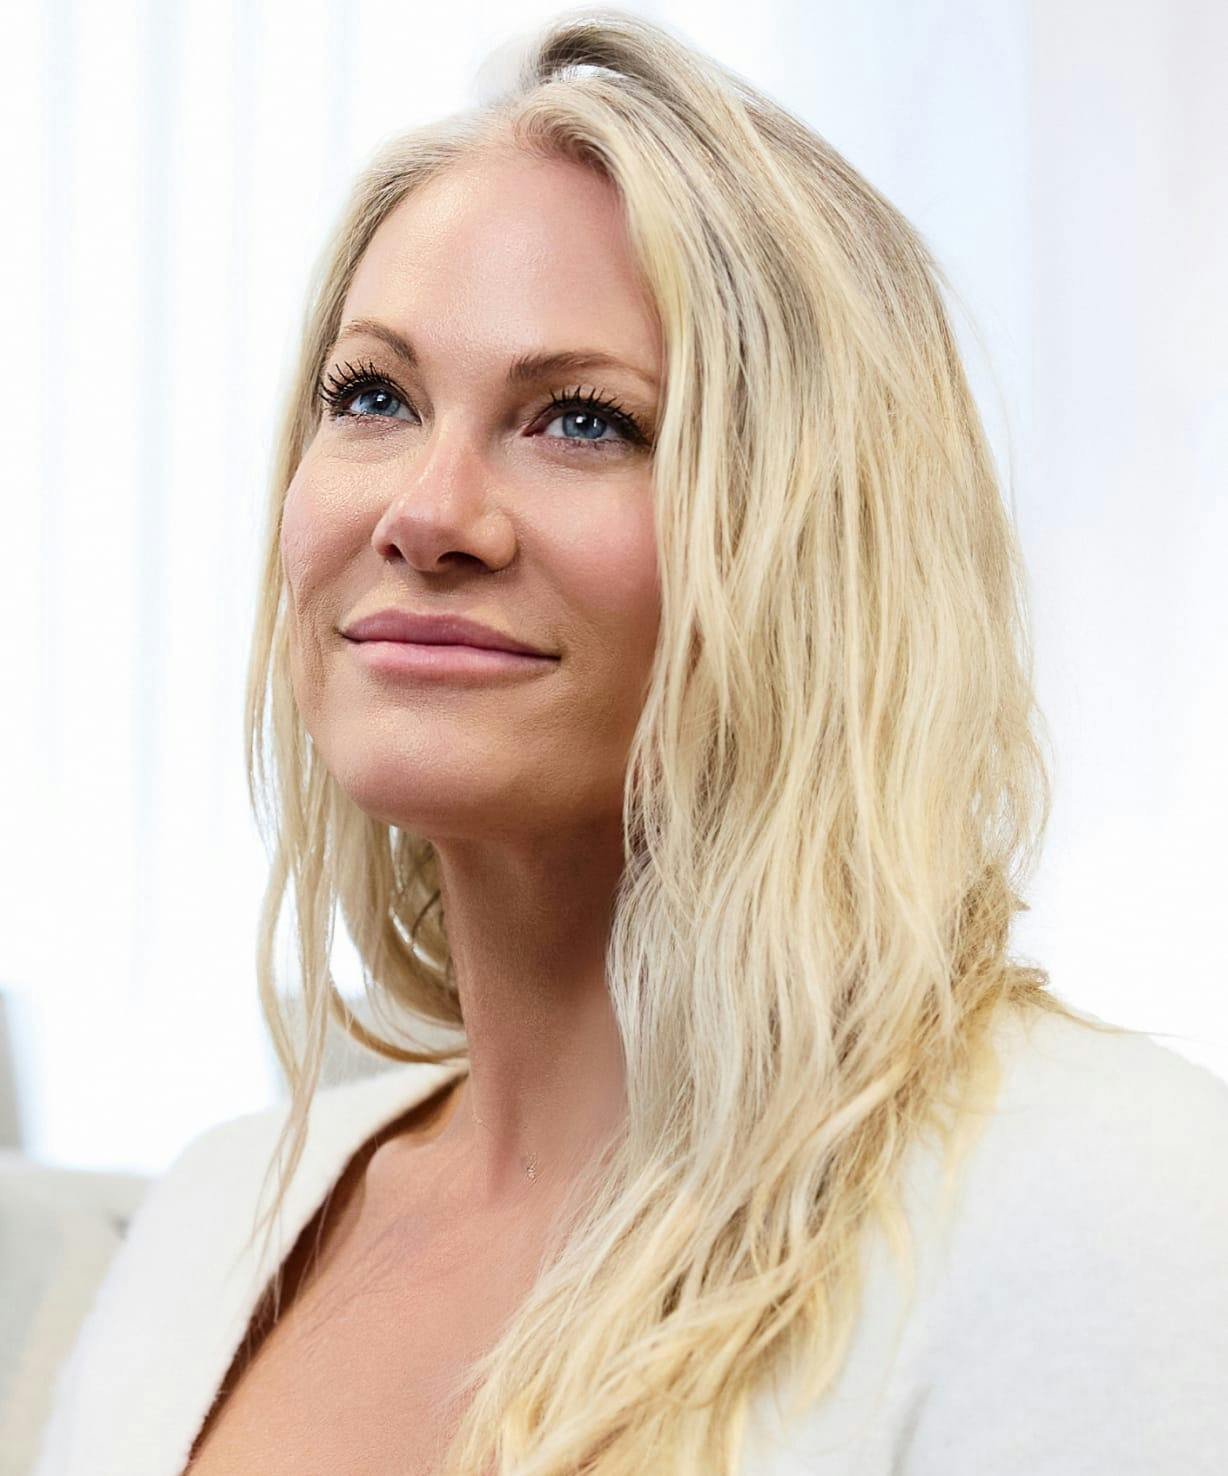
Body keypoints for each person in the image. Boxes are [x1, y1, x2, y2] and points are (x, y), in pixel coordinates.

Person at [33, 10, 1228, 1476]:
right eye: (373, 396)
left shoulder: (1107, 1205)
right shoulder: (213, 1227)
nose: (426, 509)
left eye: (585, 420)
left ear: (820, 550)